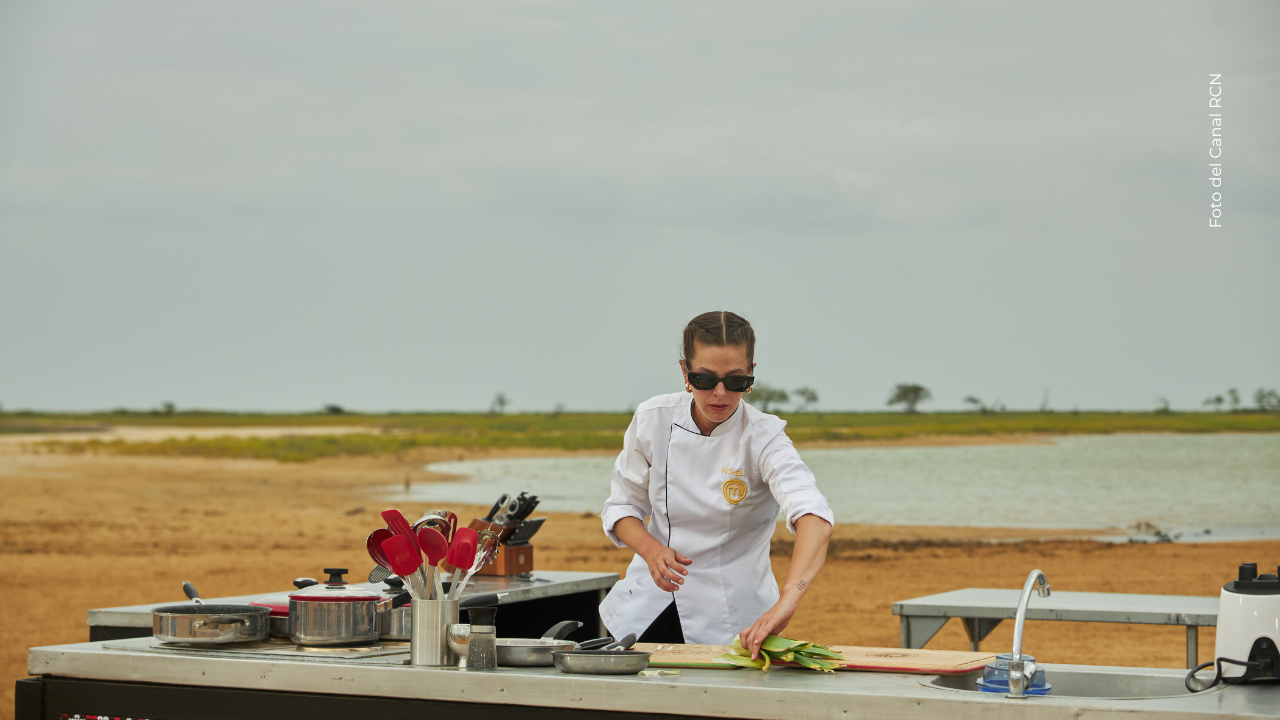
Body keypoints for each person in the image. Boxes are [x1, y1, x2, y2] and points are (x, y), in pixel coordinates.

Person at [599, 311, 833, 659]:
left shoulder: (765, 437)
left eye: (735, 381)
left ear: (751, 373)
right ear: (685, 372)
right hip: (645, 607)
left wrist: (789, 598)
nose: (720, 394)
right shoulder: (653, 418)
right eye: (705, 379)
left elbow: (814, 516)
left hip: (732, 620)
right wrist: (651, 551)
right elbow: (622, 507)